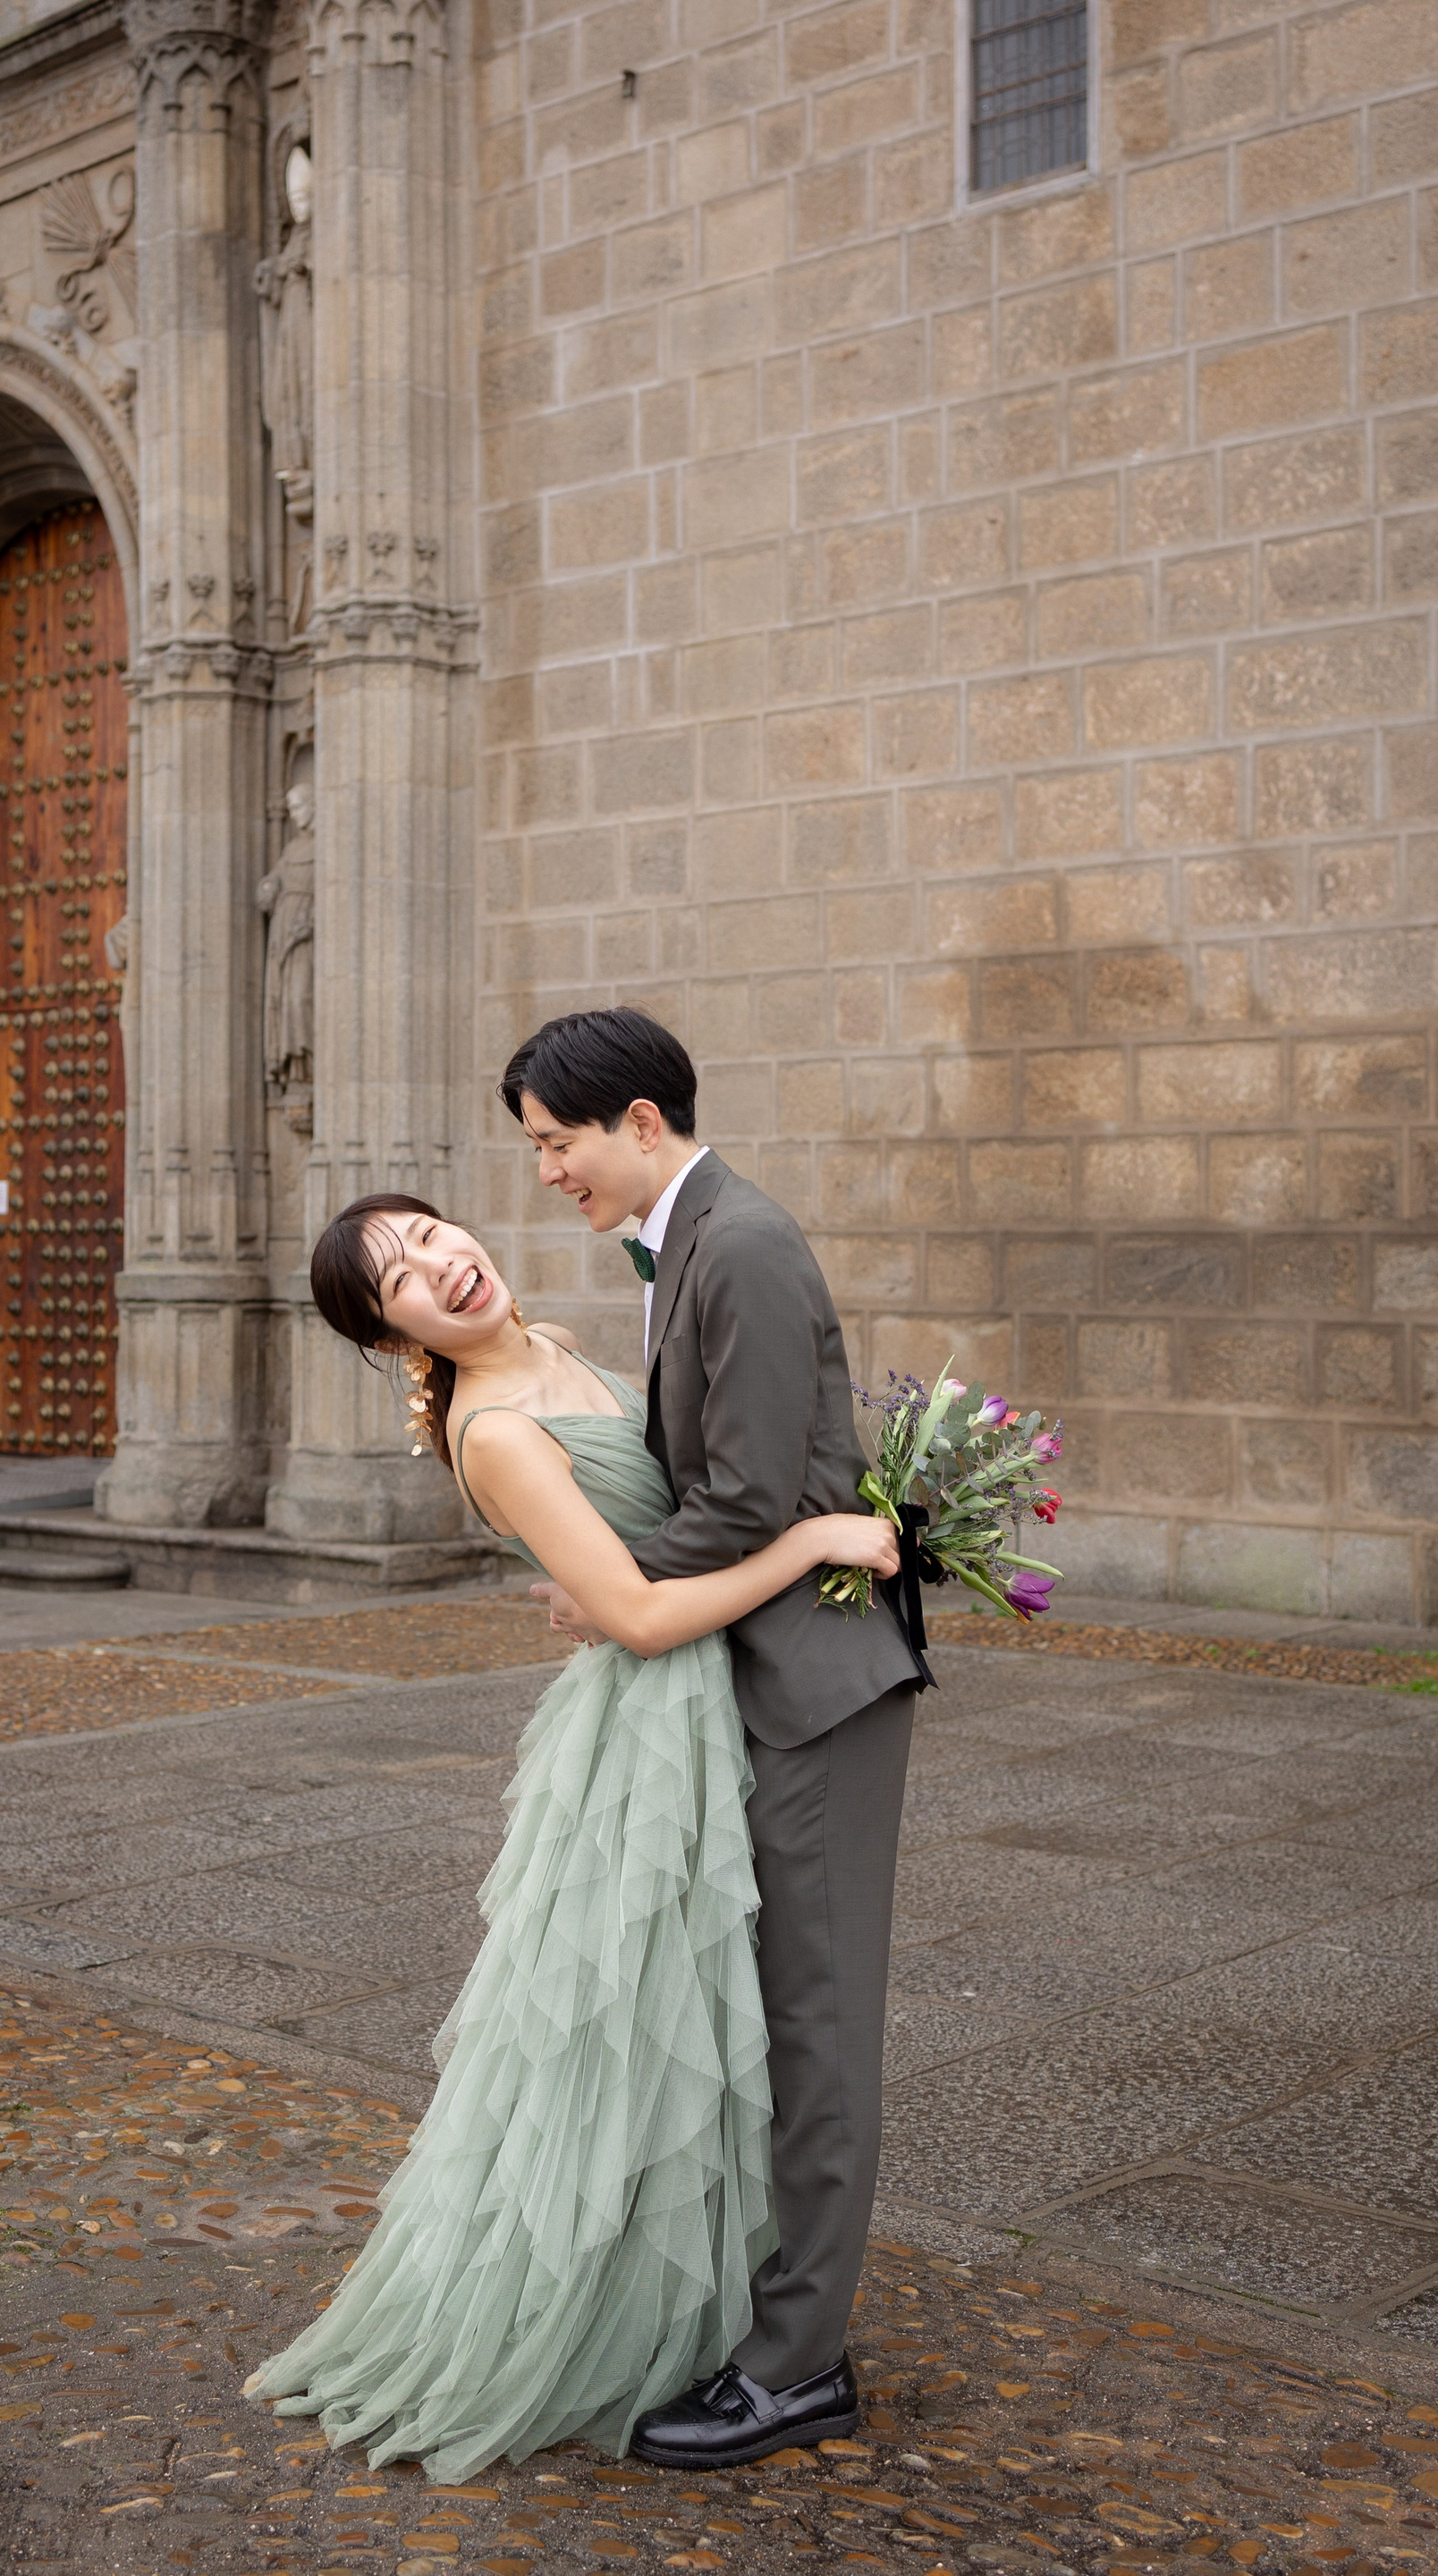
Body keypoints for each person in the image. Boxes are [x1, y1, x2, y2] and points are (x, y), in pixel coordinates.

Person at [240, 1191, 899, 2479]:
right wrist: (814, 1540)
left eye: (432, 1235)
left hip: (715, 1693)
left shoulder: (554, 1345)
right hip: (653, 1727)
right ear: (393, 1339)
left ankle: (720, 2300)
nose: (441, 1266)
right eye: (402, 1279)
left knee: (709, 2013)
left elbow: (659, 1534)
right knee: (636, 2023)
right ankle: (619, 2313)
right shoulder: (493, 1432)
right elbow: (639, 1618)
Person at [499, 1007, 929, 2470]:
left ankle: (799, 2368)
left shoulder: (737, 1241)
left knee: (816, 2031)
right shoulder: (684, 1240)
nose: (548, 1171)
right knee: (767, 2019)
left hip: (817, 1687)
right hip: (761, 1672)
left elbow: (745, 1499)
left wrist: (608, 1589)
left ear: (638, 1121)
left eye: (557, 1142)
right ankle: (764, 2315)